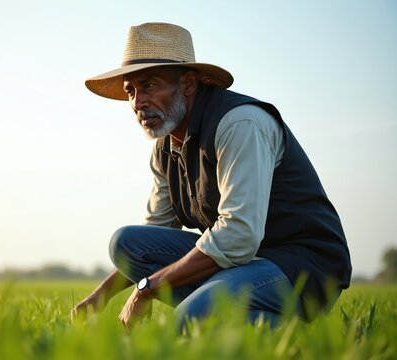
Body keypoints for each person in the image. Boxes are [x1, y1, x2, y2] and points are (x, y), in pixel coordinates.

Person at [71, 22, 352, 331]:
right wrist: (101, 296)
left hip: (302, 266)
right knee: (126, 243)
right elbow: (157, 231)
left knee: (192, 319)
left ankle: (290, 329)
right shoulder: (164, 147)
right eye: (131, 91)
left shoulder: (240, 123)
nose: (138, 103)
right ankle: (226, 309)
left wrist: (148, 287)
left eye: (149, 85)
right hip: (242, 263)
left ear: (188, 83)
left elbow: (239, 235)